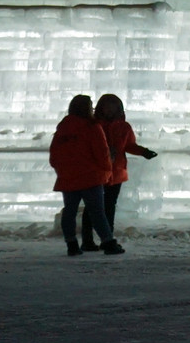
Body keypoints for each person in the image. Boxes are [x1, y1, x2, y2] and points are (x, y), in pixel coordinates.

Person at [82, 93, 157, 251]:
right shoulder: (94, 125)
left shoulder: (124, 127)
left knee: (109, 206)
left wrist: (143, 152)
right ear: (101, 108)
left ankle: (106, 239)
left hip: (116, 173)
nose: (110, 110)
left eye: (113, 107)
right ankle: (88, 240)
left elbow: (129, 145)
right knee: (92, 207)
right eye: (107, 106)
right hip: (97, 172)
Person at [50, 94, 120, 256]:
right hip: (91, 177)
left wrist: (62, 170)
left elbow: (54, 155)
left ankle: (71, 244)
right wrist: (108, 171)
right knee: (97, 212)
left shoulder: (63, 128)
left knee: (69, 211)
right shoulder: (92, 127)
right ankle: (108, 242)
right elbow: (102, 153)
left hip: (68, 177)